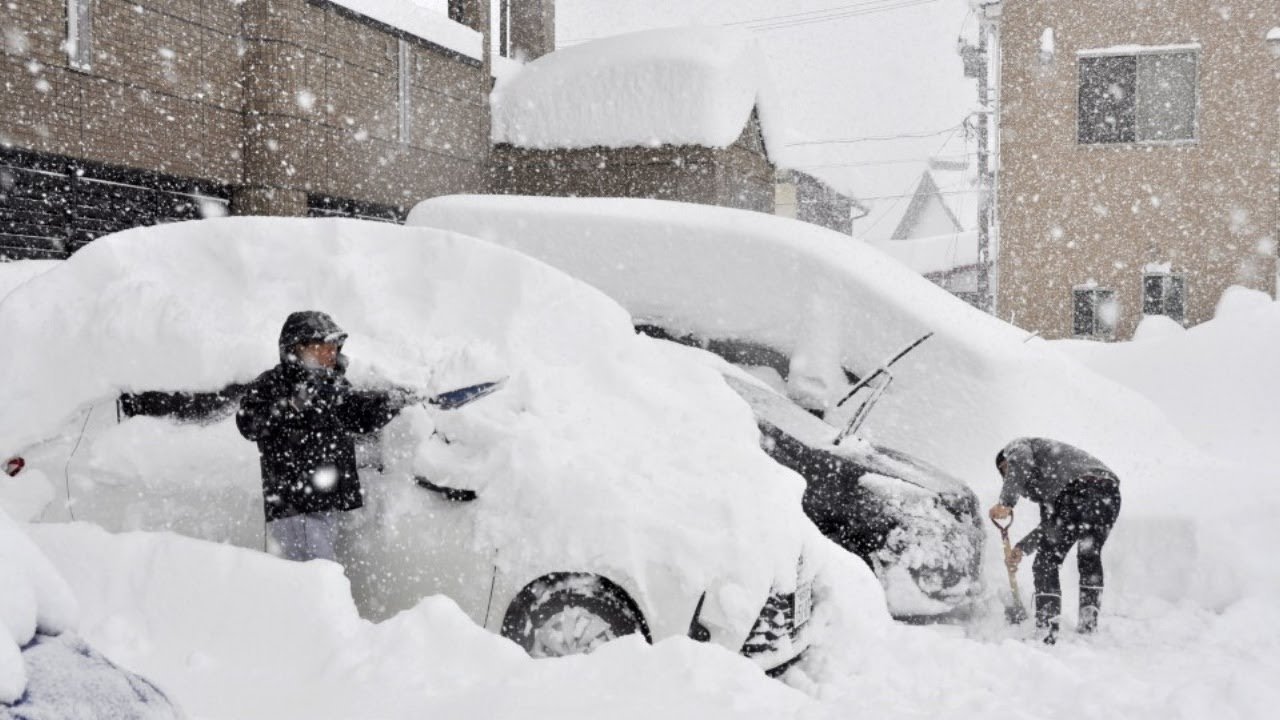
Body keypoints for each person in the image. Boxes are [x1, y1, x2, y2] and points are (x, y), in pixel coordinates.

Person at [236, 311, 415, 562]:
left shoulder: (331, 384)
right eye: (324, 345)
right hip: (294, 507)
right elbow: (249, 424)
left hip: (322, 505)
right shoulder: (274, 383)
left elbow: (358, 415)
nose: (332, 352)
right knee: (313, 583)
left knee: (316, 581)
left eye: (334, 345)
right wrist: (292, 404)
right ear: (298, 348)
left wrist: (390, 403)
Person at [988, 438, 1122, 643]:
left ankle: (1047, 627)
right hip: (1108, 494)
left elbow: (1020, 459)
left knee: (1045, 562)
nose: (1010, 475)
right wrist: (1022, 549)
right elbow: (1049, 528)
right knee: (1089, 554)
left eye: (1007, 470)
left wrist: (1006, 502)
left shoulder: (1017, 447)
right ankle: (1088, 624)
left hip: (1080, 490)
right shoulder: (1050, 486)